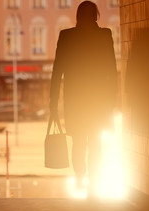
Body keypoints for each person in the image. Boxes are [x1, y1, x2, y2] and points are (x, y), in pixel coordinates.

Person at [49, 1, 117, 193]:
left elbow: (57, 71)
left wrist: (53, 102)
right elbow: (112, 70)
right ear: (95, 16)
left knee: (78, 141)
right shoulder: (104, 35)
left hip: (76, 101)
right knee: (95, 142)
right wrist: (112, 100)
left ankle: (80, 176)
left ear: (78, 16)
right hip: (98, 101)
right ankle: (94, 181)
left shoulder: (67, 36)